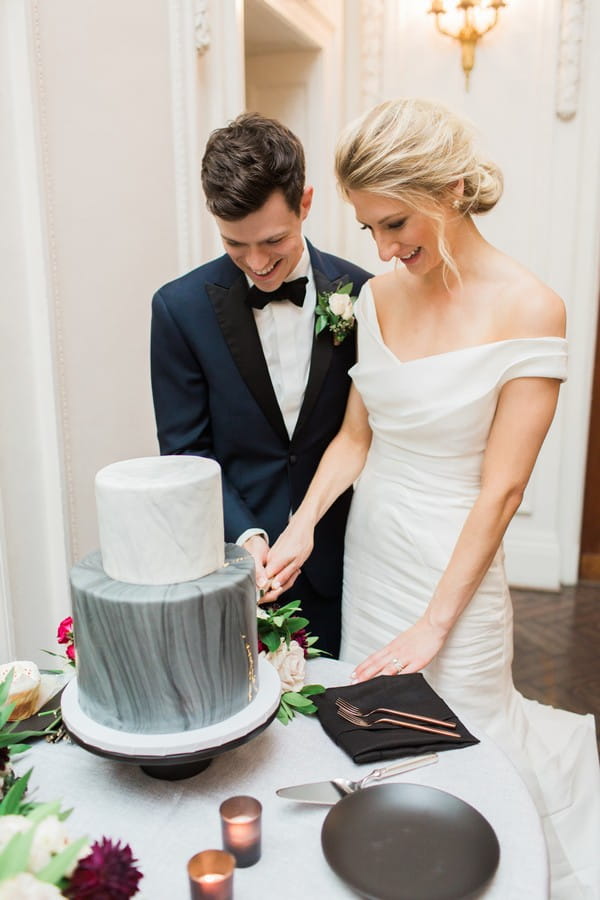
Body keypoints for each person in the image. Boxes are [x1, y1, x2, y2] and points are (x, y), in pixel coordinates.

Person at [266, 98, 600, 897]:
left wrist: (435, 624)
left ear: (450, 190)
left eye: (394, 224)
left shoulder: (532, 307)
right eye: (368, 229)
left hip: (456, 572)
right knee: (379, 738)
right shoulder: (379, 299)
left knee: (468, 738)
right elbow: (356, 438)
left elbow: (502, 488)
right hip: (377, 552)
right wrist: (304, 525)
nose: (381, 249)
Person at [150, 112, 371, 656]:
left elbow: (367, 432)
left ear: (306, 203)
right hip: (232, 566)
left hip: (345, 561)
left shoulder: (363, 293)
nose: (256, 263)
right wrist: (247, 540)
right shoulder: (178, 309)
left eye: (273, 240)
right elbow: (185, 450)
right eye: (234, 245)